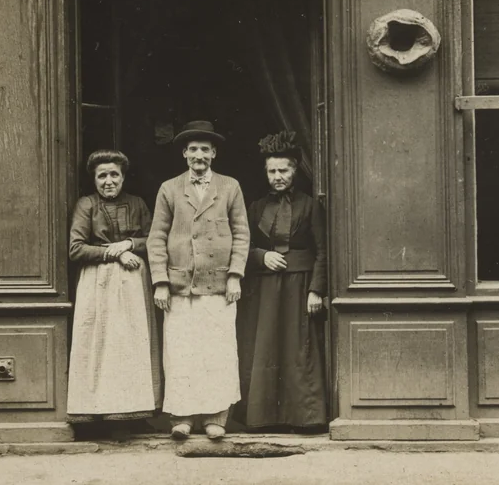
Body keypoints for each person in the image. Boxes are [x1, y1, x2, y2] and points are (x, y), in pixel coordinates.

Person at [147, 120, 249, 440]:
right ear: (184, 154)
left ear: (214, 153)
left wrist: (234, 276)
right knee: (180, 352)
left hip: (218, 285)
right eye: (193, 149)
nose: (199, 154)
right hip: (180, 286)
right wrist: (161, 281)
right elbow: (157, 237)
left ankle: (216, 417)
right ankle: (182, 417)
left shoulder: (230, 186)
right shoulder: (170, 188)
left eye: (205, 149)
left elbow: (242, 234)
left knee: (217, 352)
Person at [235, 131, 328, 431]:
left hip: (299, 286)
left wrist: (317, 290)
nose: (278, 177)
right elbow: (240, 246)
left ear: (295, 171)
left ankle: (304, 418)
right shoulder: (256, 208)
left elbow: (323, 251)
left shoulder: (311, 206)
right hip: (263, 288)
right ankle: (263, 418)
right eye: (272, 171)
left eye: (283, 170)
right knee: (264, 347)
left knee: (297, 348)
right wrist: (262, 256)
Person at [66, 150, 161, 424]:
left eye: (114, 175)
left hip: (132, 284)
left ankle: (131, 410)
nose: (109, 181)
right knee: (100, 343)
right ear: (94, 179)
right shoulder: (87, 205)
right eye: (102, 176)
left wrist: (130, 244)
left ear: (123, 177)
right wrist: (114, 253)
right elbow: (76, 249)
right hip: (98, 283)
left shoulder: (137, 203)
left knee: (130, 344)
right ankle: (94, 409)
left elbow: (154, 238)